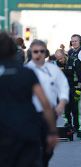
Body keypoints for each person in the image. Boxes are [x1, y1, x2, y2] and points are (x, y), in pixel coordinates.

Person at [0, 32, 57, 167]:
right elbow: (45, 103)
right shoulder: (26, 72)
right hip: (27, 131)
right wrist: (52, 131)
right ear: (14, 50)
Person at [26, 40, 69, 167]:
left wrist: (61, 103)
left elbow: (63, 87)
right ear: (31, 53)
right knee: (33, 144)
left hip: (49, 113)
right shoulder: (25, 70)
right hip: (31, 114)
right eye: (35, 51)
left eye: (41, 51)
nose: (38, 54)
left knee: (48, 146)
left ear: (46, 53)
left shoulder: (53, 70)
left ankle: (44, 162)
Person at [55, 49, 81, 140]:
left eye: (61, 58)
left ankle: (80, 130)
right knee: (66, 110)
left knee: (78, 110)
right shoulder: (56, 64)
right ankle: (68, 128)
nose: (60, 61)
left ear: (64, 55)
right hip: (63, 90)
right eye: (58, 59)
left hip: (75, 87)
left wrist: (78, 91)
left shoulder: (75, 62)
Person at [69, 34, 81, 133]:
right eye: (72, 41)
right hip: (73, 83)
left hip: (80, 83)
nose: (74, 43)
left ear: (80, 41)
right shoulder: (72, 52)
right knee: (74, 105)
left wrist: (79, 83)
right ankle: (76, 126)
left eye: (76, 41)